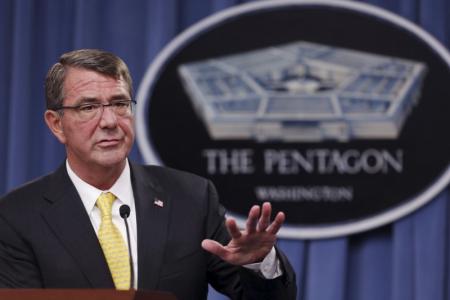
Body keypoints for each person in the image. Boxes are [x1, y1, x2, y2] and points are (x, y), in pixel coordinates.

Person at [0, 49, 296, 300]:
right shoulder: (18, 215)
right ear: (56, 124)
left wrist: (258, 262)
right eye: (89, 107)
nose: (110, 121)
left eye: (119, 104)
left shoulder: (191, 198)